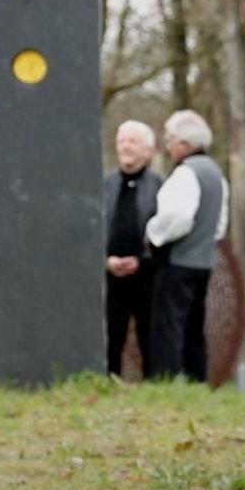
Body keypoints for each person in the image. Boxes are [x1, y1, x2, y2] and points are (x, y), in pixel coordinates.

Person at [146, 110, 229, 382]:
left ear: (184, 143)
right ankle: (196, 380)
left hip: (178, 261)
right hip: (204, 262)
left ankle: (165, 380)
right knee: (195, 329)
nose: (168, 145)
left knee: (168, 327)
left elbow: (178, 218)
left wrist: (152, 234)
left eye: (170, 139)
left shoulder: (185, 174)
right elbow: (219, 225)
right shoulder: (217, 175)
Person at [104, 120, 163, 378]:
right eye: (121, 141)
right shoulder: (104, 186)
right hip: (109, 277)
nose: (125, 147)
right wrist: (105, 260)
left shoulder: (160, 187)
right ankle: (107, 384)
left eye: (132, 141)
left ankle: (155, 390)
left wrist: (143, 261)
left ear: (149, 151)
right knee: (110, 336)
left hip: (148, 278)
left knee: (150, 338)